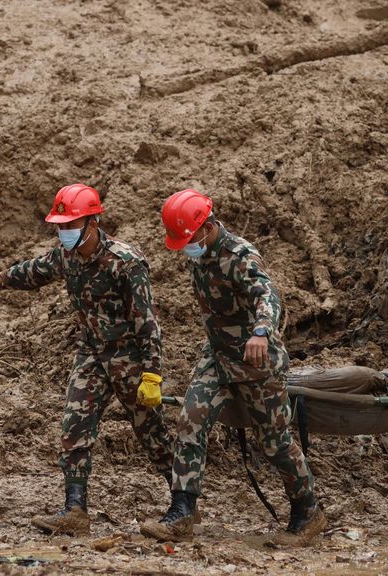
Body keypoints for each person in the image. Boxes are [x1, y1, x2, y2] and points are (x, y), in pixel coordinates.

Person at [0, 183, 173, 535]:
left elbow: (146, 322)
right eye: (59, 226)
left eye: (70, 225)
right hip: (91, 355)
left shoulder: (126, 262)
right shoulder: (67, 256)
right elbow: (32, 272)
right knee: (74, 430)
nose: (63, 233)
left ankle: (184, 507)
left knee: (153, 436)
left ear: (93, 222)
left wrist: (152, 374)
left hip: (129, 359)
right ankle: (75, 511)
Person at [139, 188, 325, 546]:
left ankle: (308, 511)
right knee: (190, 420)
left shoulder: (240, 255)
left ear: (207, 227)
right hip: (218, 358)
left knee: (274, 444)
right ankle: (182, 510)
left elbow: (267, 295)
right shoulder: (199, 252)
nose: (186, 247)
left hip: (257, 363)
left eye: (189, 239)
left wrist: (261, 332)